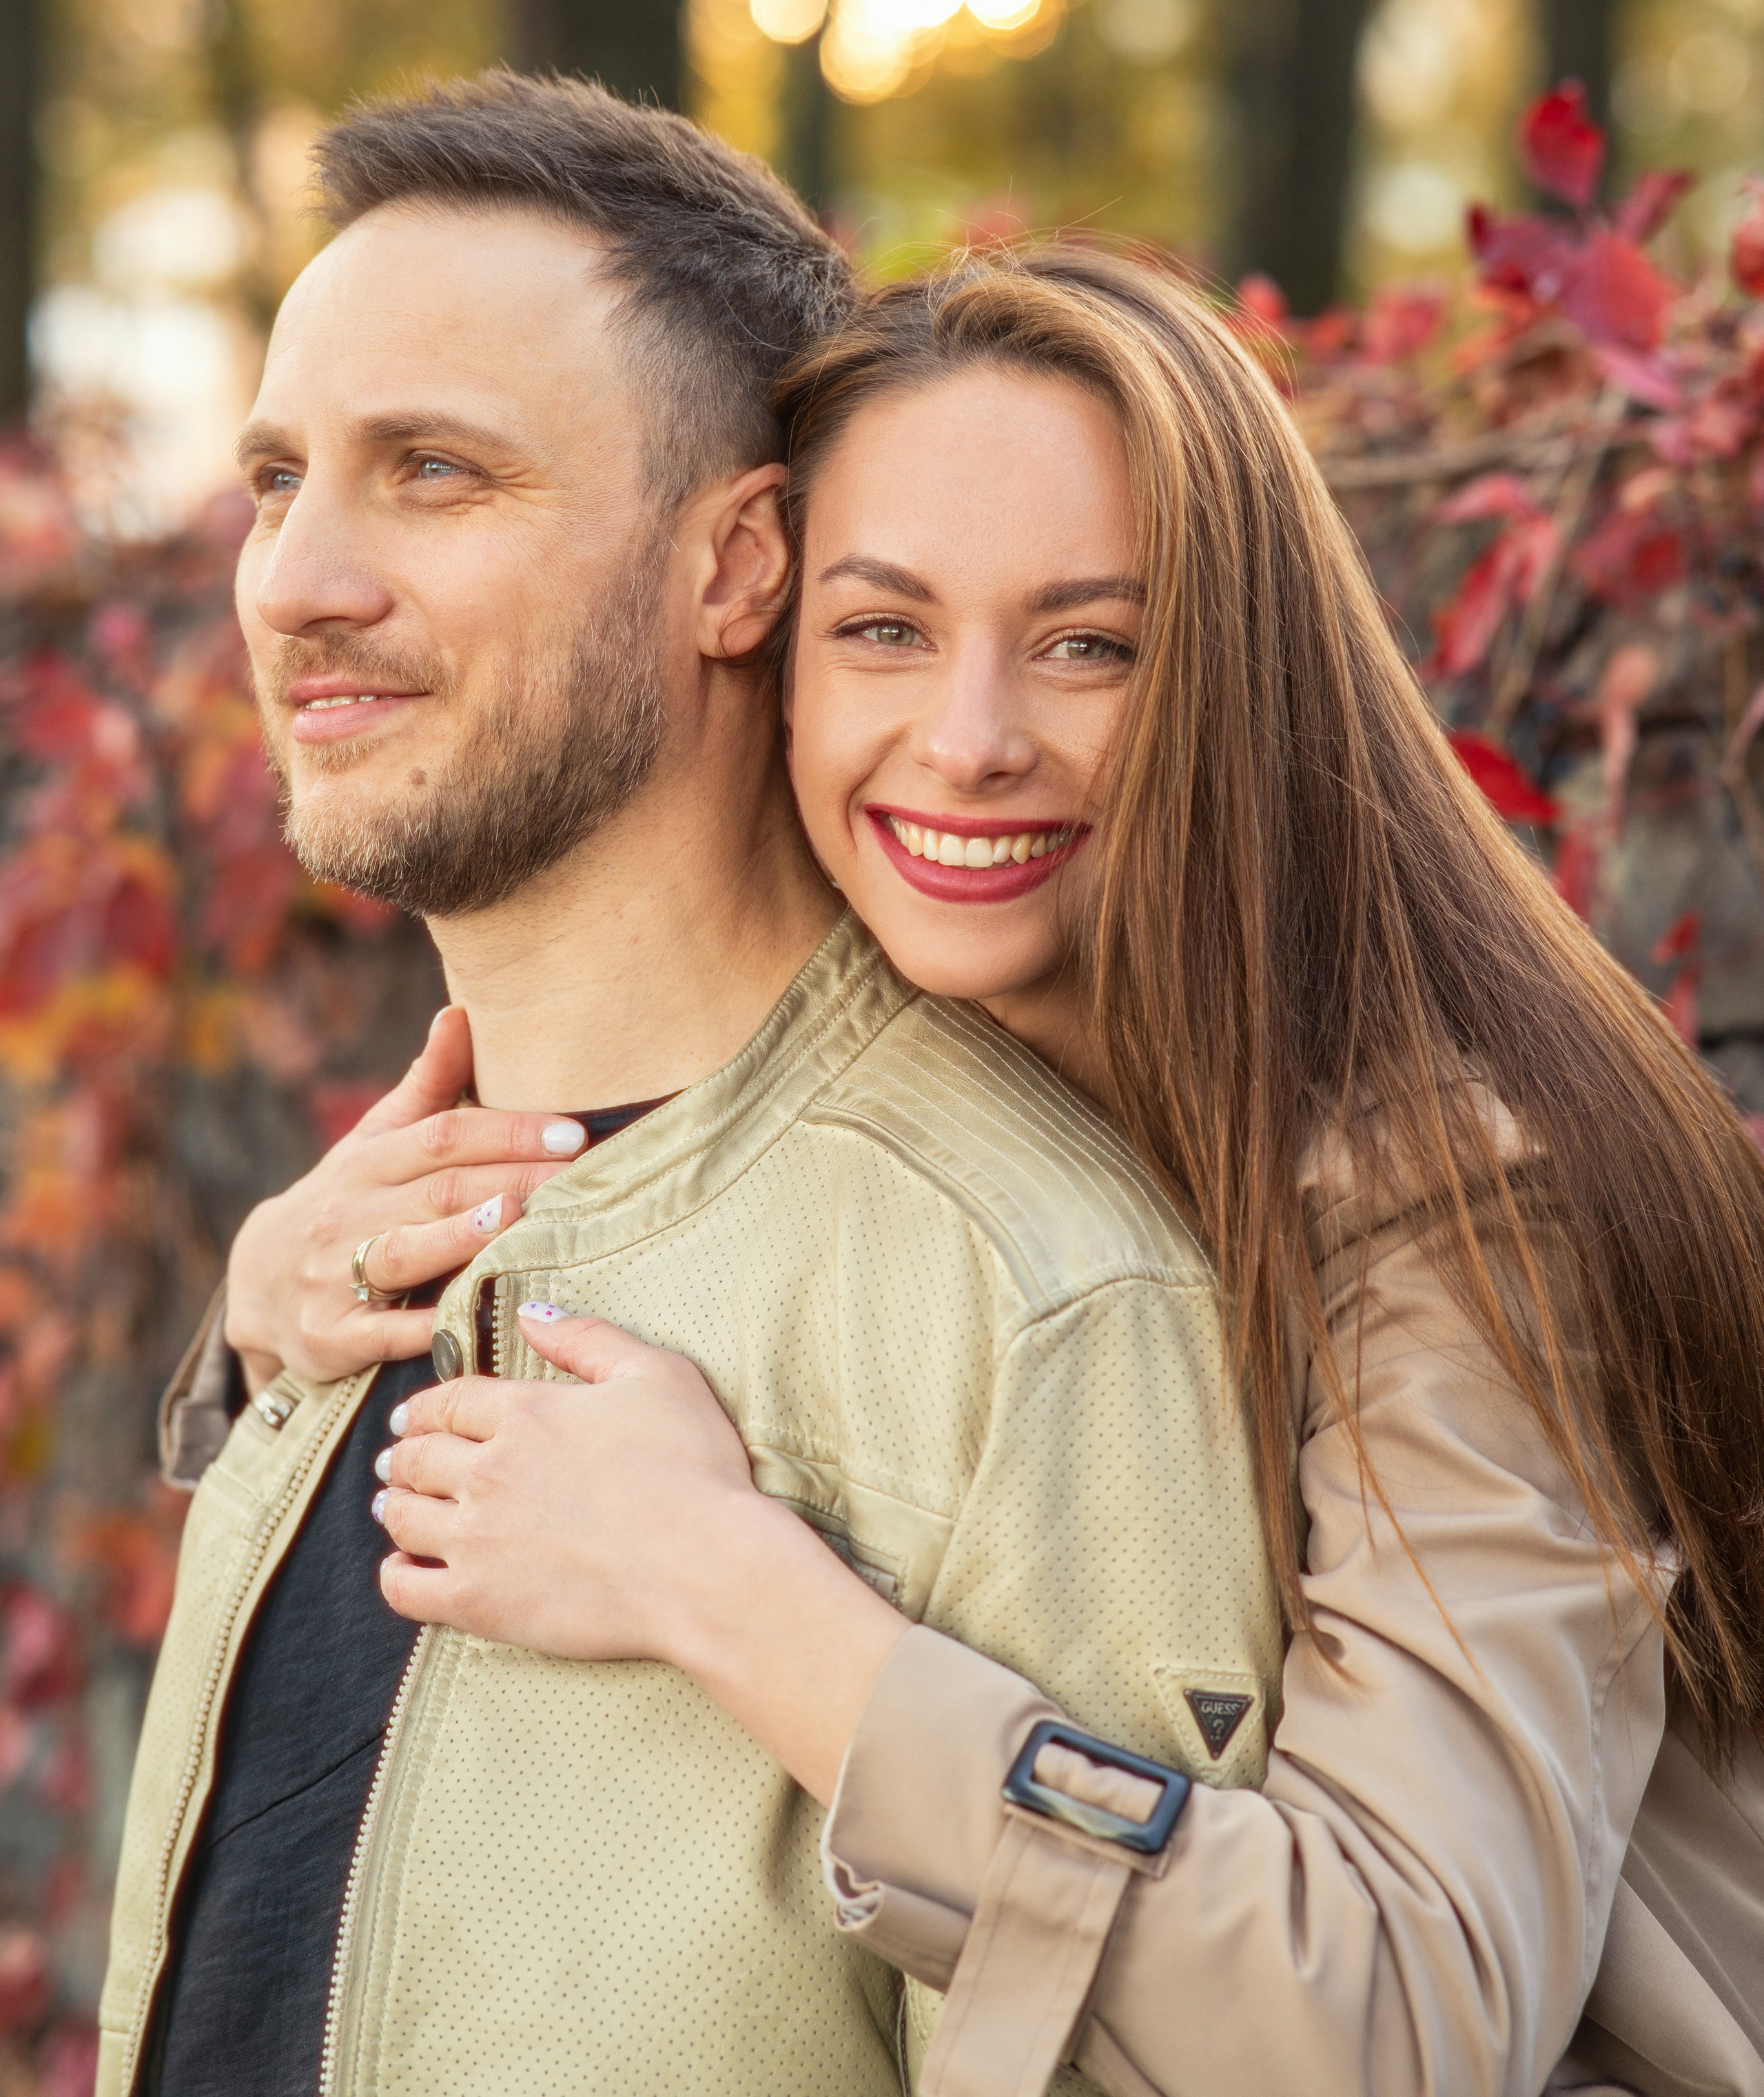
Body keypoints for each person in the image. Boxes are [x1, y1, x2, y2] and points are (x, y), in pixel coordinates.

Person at [364, 250, 1764, 2096]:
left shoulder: (1450, 1214)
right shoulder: (901, 1084)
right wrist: (278, 1289)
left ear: (1232, 682)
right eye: (883, 631)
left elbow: (1405, 2020)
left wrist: (727, 1585)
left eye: (1089, 644)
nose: (970, 740)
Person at [98, 85, 1284, 2097]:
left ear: (739, 564)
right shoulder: (347, 1253)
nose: (297, 581)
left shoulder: (1029, 1300)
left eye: (437, 474)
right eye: (279, 477)